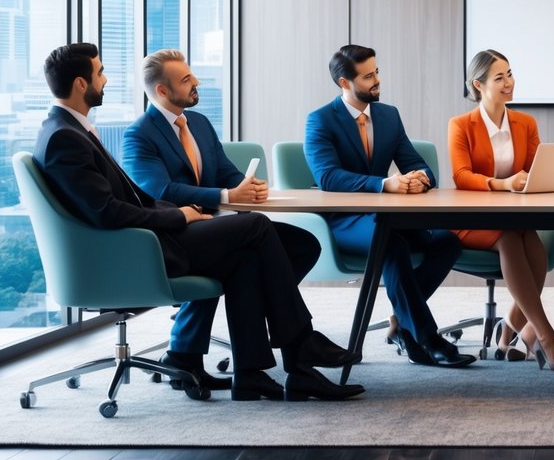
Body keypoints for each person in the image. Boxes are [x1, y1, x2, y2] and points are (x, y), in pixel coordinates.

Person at [33, 44, 363, 401]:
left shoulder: (70, 130)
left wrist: (224, 196)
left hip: (150, 236)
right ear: (82, 84)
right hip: (135, 250)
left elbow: (131, 199)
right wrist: (180, 215)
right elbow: (108, 211)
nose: (106, 79)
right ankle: (300, 345)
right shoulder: (65, 138)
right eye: (100, 73)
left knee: (251, 258)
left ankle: (251, 373)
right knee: (255, 227)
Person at [122, 49, 322, 394]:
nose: (196, 81)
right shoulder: (138, 135)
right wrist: (228, 197)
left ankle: (242, 369)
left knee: (299, 247)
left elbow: (224, 170)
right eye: (186, 79)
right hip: (175, 234)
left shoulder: (197, 123)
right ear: (163, 92)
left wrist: (248, 186)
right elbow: (160, 190)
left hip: (214, 228)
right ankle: (296, 340)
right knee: (253, 235)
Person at [304, 44, 474, 368]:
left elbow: (421, 166)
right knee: (391, 245)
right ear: (344, 83)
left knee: (448, 241)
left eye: (377, 72)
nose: (377, 80)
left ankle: (402, 323)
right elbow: (329, 177)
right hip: (344, 222)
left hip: (387, 218)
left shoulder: (388, 115)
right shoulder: (321, 121)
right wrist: (385, 184)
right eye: (368, 76)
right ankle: (425, 336)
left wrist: (418, 179)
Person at [447, 49, 554, 371]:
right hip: (472, 219)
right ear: (478, 85)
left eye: (510, 74)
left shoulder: (526, 123)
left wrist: (536, 180)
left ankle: (510, 325)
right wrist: (501, 184)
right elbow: (461, 176)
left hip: (516, 217)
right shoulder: (461, 125)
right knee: (509, 238)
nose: (509, 83)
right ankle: (544, 337)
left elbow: (536, 170)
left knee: (534, 244)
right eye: (499, 77)